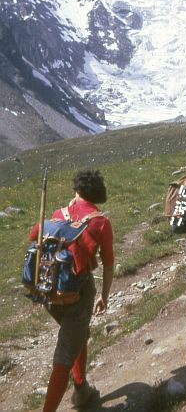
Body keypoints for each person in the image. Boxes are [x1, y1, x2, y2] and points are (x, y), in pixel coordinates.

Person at [28, 170, 114, 412]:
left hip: (49, 291)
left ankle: (81, 388)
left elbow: (33, 236)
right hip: (78, 291)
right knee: (66, 352)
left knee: (77, 335)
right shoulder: (100, 222)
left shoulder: (58, 214)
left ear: (76, 191)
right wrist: (104, 297)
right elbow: (108, 264)